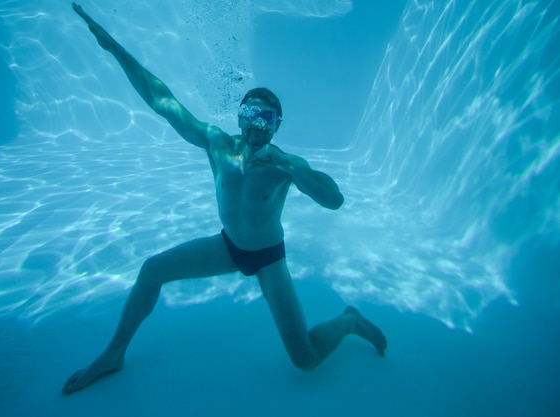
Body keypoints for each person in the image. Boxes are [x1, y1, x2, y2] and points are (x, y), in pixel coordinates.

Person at [63, 2, 387, 395]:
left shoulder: (284, 165)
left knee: (305, 359)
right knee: (152, 270)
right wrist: (114, 48)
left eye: (266, 119)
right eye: (251, 114)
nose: (256, 126)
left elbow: (333, 199)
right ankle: (114, 354)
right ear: (238, 116)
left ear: (276, 126)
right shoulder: (218, 145)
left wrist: (289, 164)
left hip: (269, 259)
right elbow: (164, 102)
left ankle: (349, 320)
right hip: (228, 247)